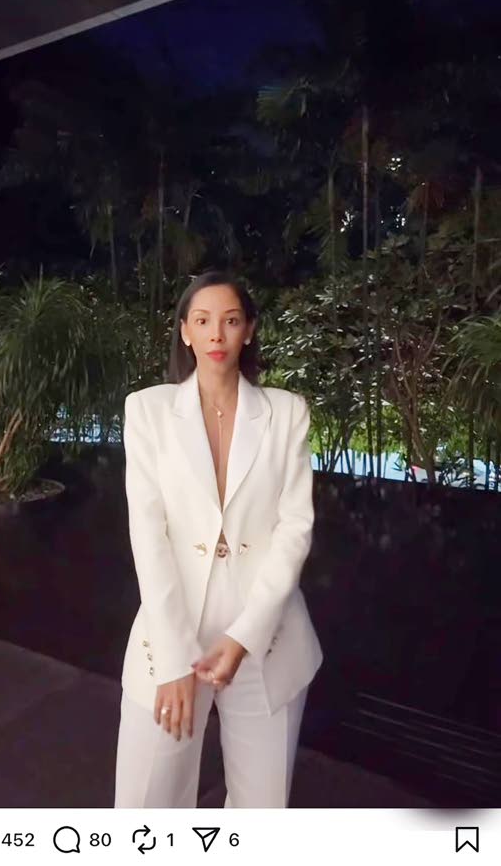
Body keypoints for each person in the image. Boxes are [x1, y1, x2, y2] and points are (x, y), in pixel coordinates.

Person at [114, 270, 323, 808]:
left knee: (261, 811)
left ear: (248, 330)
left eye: (230, 321)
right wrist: (173, 657)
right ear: (185, 331)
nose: (216, 334)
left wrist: (245, 636)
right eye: (203, 321)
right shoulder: (149, 411)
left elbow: (295, 528)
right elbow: (148, 532)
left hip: (266, 637)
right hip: (172, 631)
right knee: (147, 805)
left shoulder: (286, 413)